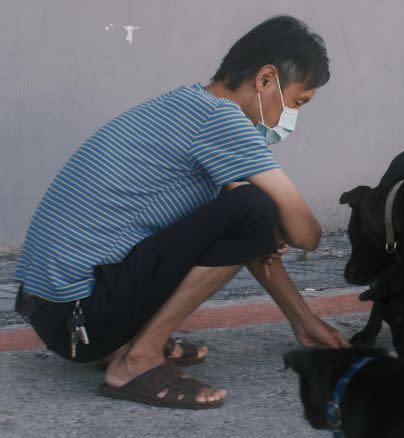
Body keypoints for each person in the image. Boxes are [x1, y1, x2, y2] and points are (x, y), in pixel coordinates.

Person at [13, 14, 349, 409]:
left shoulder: (187, 104)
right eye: (297, 101)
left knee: (248, 210)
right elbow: (305, 233)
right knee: (254, 208)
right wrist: (271, 221)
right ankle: (136, 361)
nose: (292, 116)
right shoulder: (222, 121)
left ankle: (127, 341)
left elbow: (240, 234)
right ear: (265, 79)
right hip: (81, 317)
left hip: (56, 312)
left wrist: (302, 321)